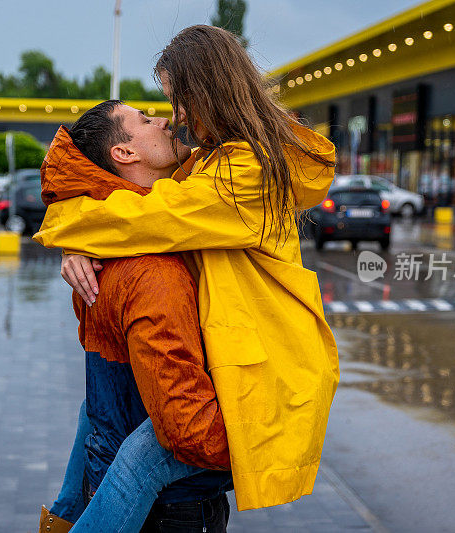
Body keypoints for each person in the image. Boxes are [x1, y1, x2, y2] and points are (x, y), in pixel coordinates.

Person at [35, 23, 339, 520]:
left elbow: (149, 216)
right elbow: (132, 203)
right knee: (102, 431)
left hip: (262, 370)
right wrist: (76, 243)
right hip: (235, 363)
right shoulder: (209, 163)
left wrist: (70, 233)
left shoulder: (245, 174)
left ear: (207, 94)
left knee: (135, 460)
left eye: (176, 101)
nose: (174, 118)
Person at [38, 101, 233, 533]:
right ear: (125, 154)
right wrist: (258, 438)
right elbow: (185, 428)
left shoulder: (104, 249)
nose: (163, 120)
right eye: (145, 121)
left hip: (105, 479)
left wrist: (76, 241)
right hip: (169, 510)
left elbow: (103, 396)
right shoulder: (152, 272)